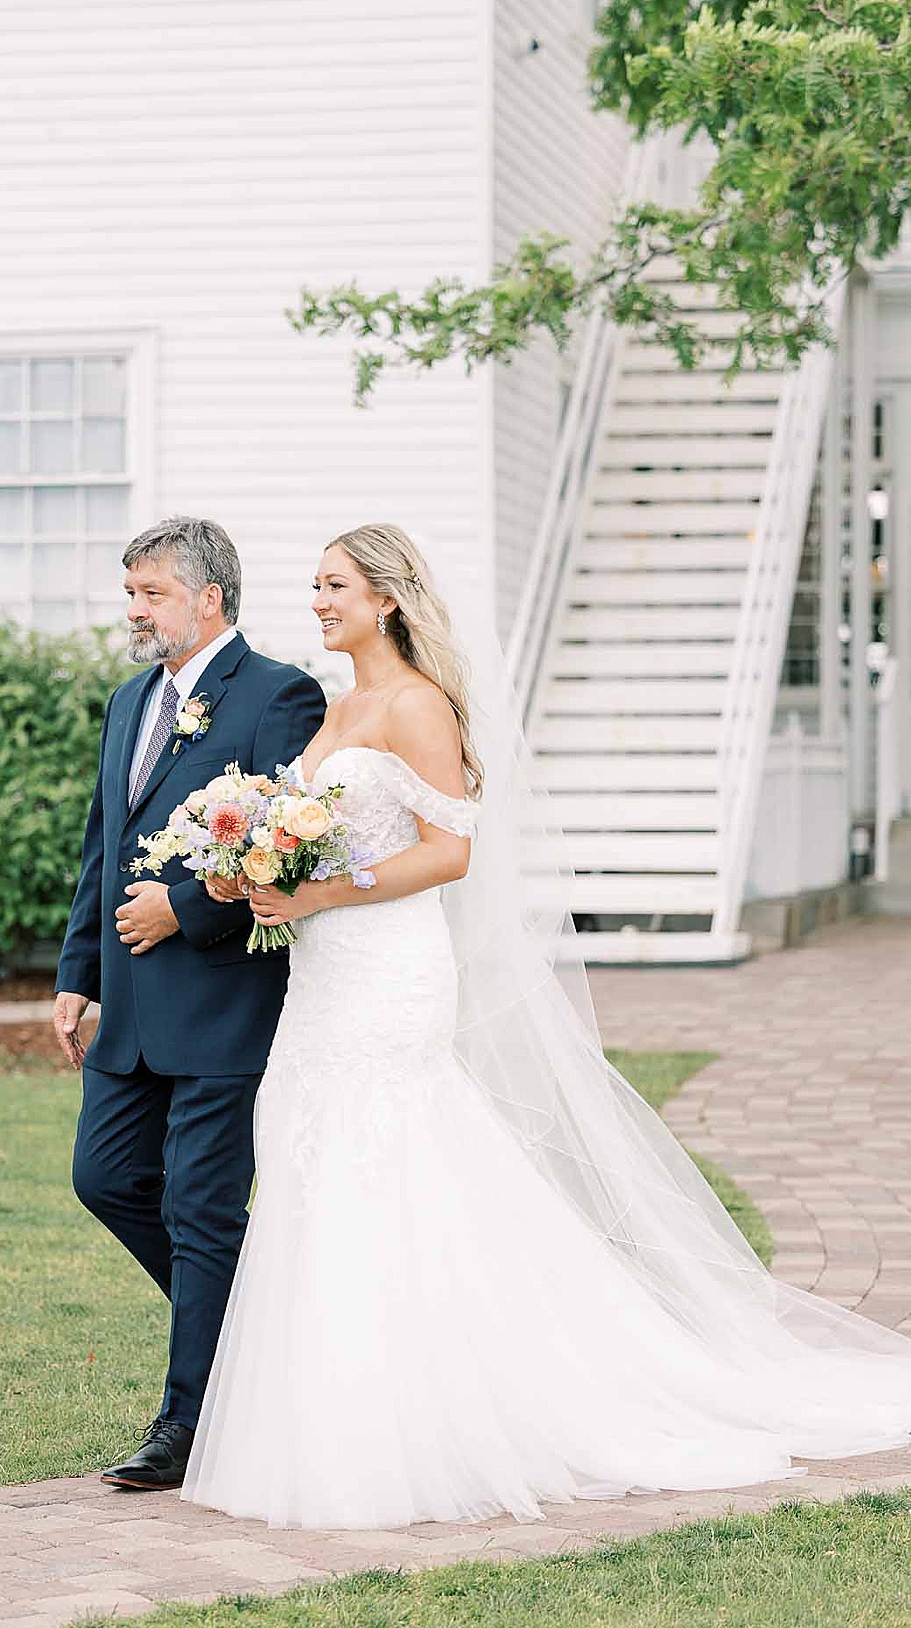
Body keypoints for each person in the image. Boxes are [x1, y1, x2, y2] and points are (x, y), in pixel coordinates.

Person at [181, 521, 911, 1530]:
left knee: (381, 1164)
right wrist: (258, 866)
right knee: (312, 1167)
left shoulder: (417, 704)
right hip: (324, 980)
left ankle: (432, 1421)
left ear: (387, 597)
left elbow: (449, 854)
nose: (317, 598)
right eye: (313, 584)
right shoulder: (340, 706)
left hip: (391, 971)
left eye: (334, 583)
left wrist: (321, 894)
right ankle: (340, 1408)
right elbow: (311, 835)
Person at [53, 516, 325, 1491]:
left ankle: (188, 1423)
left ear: (209, 596)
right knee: (106, 1177)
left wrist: (185, 910)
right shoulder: (131, 702)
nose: (135, 610)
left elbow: (292, 843)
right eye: (131, 594)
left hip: (223, 1002)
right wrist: (77, 973)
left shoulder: (279, 694)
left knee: (205, 1211)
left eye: (151, 593)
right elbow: (104, 844)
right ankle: (268, 1332)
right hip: (127, 1005)